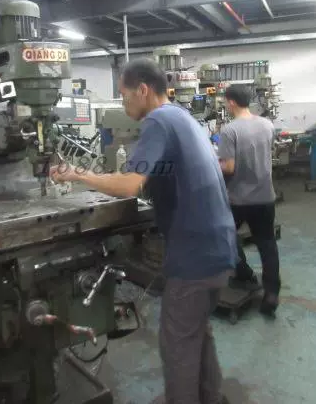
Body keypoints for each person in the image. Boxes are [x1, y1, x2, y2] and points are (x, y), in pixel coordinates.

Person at [51, 58, 236, 404]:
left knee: (177, 344)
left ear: (143, 90)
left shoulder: (158, 120)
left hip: (195, 257)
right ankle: (211, 397)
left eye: (124, 96)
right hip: (220, 248)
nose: (123, 104)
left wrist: (78, 174)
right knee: (198, 333)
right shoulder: (182, 116)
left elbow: (129, 185)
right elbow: (172, 171)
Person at [217, 84, 281, 316]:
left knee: (225, 235)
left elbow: (229, 167)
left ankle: (243, 273)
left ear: (232, 102)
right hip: (265, 196)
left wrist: (212, 163)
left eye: (225, 101)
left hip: (238, 199)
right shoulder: (267, 125)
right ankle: (271, 293)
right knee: (267, 244)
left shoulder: (229, 130)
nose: (225, 105)